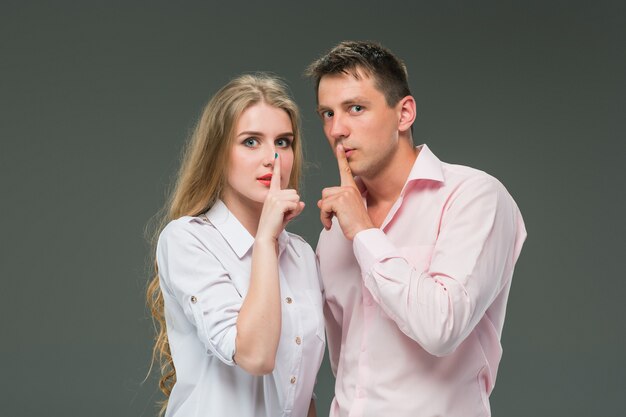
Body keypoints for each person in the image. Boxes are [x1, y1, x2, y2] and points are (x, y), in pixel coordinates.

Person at [306, 41, 527, 417]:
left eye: (355, 108)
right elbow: (345, 362)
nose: (336, 130)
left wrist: (363, 233)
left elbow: (442, 327)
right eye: (327, 114)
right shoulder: (333, 232)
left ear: (404, 113)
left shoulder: (474, 197)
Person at [146, 73, 325, 417]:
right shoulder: (188, 239)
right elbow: (255, 356)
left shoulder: (301, 254)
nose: (272, 158)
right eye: (250, 141)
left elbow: (299, 390)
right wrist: (264, 242)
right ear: (218, 152)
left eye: (283, 142)